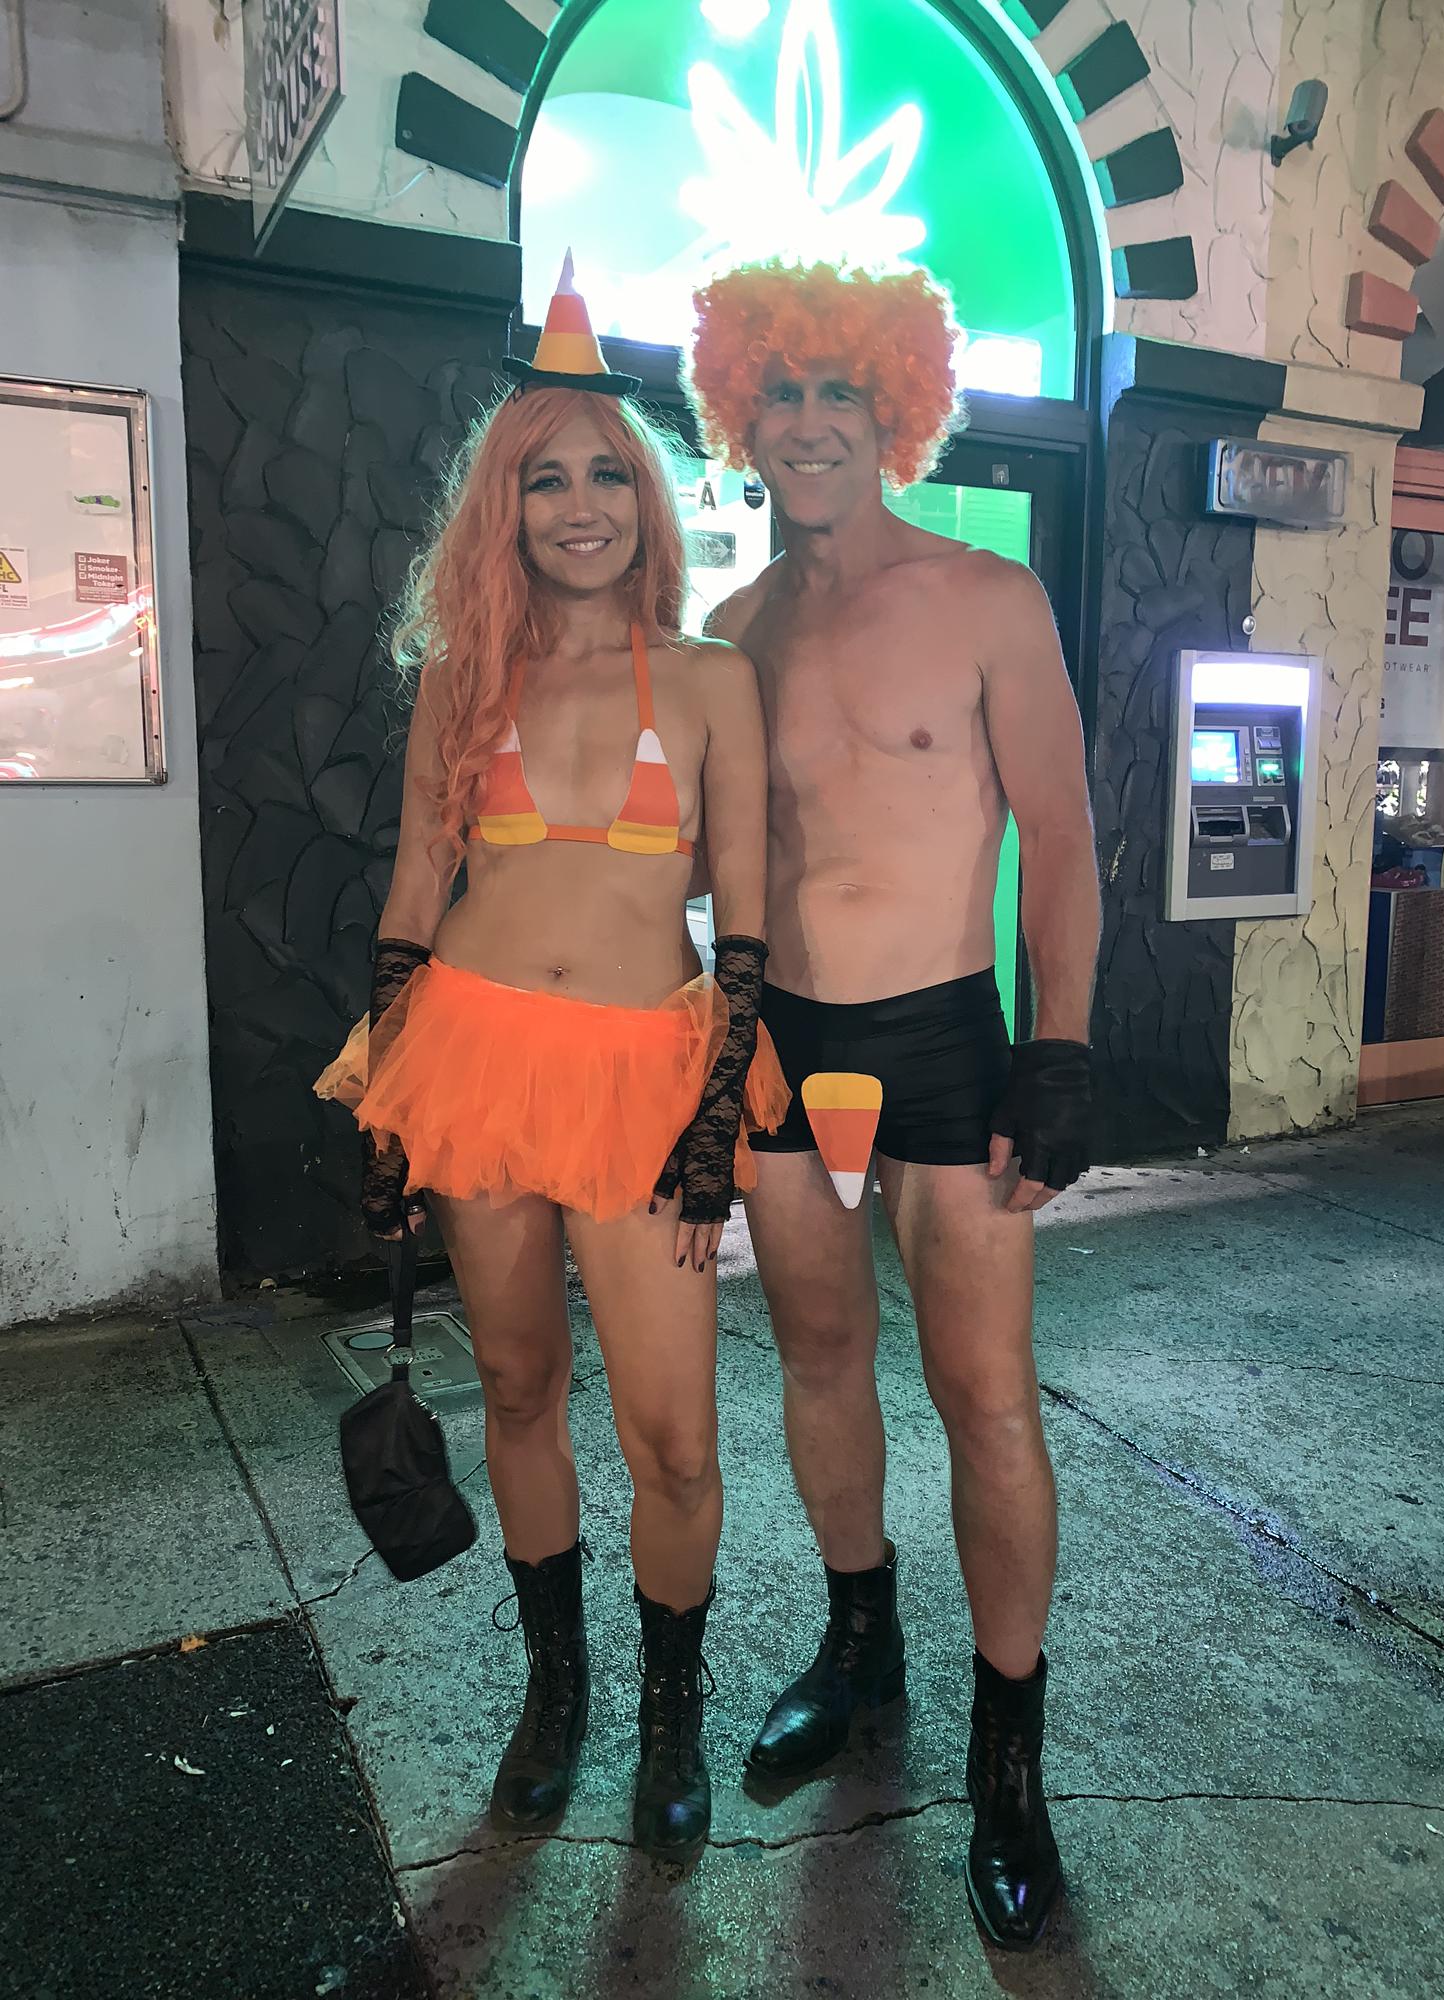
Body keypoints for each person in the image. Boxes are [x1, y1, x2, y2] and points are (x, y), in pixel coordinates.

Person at [317, 260, 786, 1859]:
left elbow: (746, 925)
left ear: (648, 503)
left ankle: (671, 1711)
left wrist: (717, 1124)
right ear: (503, 511)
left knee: (675, 1435)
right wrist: (387, 1100)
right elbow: (413, 887)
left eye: (606, 475)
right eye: (545, 479)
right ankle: (557, 1694)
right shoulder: (465, 679)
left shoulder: (714, 680)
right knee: (518, 1383)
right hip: (472, 1057)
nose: (580, 507)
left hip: (648, 1080)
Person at [684, 260, 1099, 1947]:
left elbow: (1062, 837)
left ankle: (1012, 1757)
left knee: (985, 1397)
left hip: (946, 1046)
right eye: (778, 393)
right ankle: (862, 1644)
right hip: (787, 1049)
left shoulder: (989, 598)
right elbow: (709, 871)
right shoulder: (729, 636)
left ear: (894, 410)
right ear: (740, 414)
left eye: (838, 392)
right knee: (818, 1357)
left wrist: (1059, 1047)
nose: (807, 424)